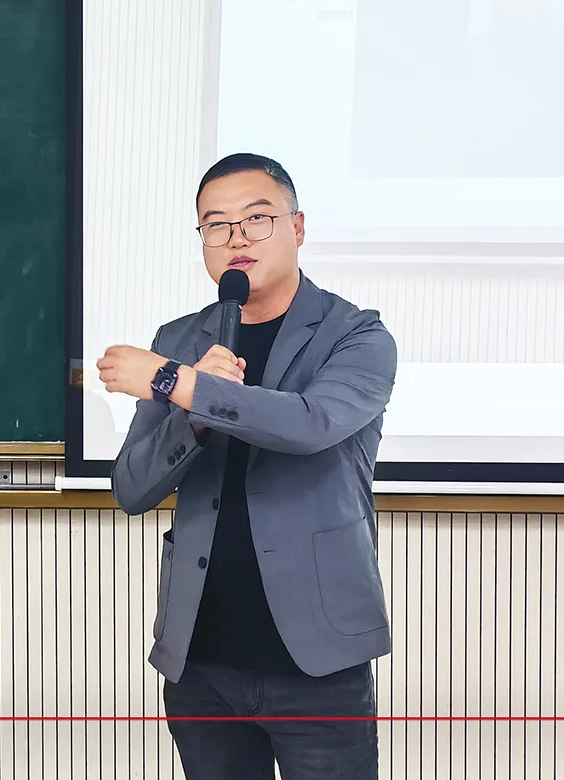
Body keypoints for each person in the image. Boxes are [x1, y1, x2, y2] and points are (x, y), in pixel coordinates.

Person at [96, 153, 397, 779]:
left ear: (297, 227)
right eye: (216, 224)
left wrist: (178, 384)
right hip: (200, 657)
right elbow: (132, 487)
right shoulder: (181, 339)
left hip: (316, 658)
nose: (237, 238)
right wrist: (193, 415)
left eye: (257, 218)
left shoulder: (356, 336)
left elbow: (309, 425)